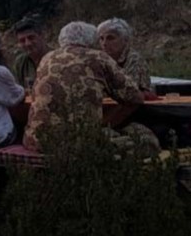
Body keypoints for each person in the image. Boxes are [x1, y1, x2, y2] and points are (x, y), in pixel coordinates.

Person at [23, 22, 145, 153]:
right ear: (91, 40)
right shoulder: (99, 57)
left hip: (36, 141)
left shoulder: (47, 58)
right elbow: (135, 97)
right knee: (145, 138)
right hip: (79, 143)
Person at [97, 18, 151, 91]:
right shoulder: (101, 58)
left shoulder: (133, 60)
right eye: (101, 38)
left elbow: (130, 89)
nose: (104, 43)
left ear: (125, 40)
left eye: (110, 38)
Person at [10, 18, 50, 89]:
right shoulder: (20, 63)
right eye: (22, 41)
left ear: (42, 35)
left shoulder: (57, 58)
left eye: (31, 38)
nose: (28, 43)